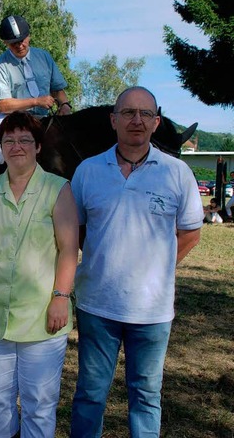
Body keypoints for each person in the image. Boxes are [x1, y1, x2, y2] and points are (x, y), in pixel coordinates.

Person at [70, 86, 203, 437]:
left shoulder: (177, 174)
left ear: (156, 122)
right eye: (128, 113)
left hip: (152, 311)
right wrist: (108, 259)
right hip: (97, 305)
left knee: (145, 396)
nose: (137, 120)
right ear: (113, 120)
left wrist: (155, 266)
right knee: (90, 395)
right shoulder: (87, 171)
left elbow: (190, 233)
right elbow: (78, 230)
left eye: (145, 114)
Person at [0, 111, 79, 438]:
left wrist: (60, 297)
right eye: (9, 140)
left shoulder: (58, 189)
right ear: (0, 146)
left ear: (38, 146)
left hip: (40, 316)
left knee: (38, 403)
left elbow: (69, 249)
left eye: (24, 139)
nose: (16, 146)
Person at [0, 14, 72, 165]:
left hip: (43, 118)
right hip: (10, 118)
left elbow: (57, 90)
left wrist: (65, 104)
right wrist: (36, 101)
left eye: (22, 41)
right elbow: (2, 105)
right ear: (5, 43)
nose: (20, 45)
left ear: (29, 36)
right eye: (14, 43)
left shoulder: (44, 57)